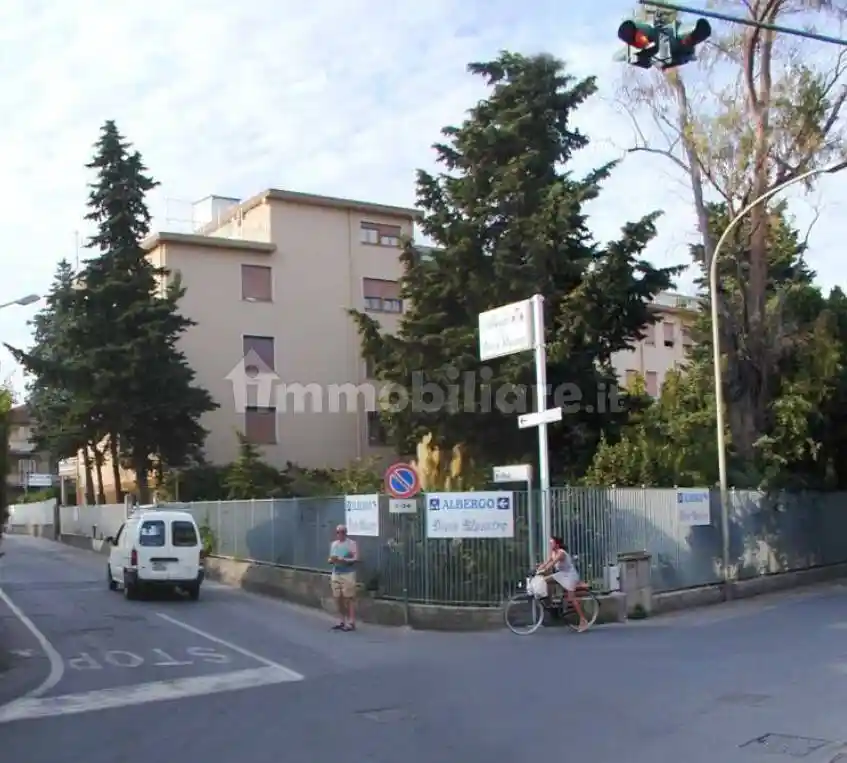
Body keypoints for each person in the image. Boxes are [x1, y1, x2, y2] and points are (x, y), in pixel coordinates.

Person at [536, 536, 589, 632]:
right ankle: (550, 602)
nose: (550, 545)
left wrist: (545, 569)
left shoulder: (561, 553)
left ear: (557, 544)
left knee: (571, 598)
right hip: (562, 574)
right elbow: (546, 562)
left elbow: (552, 564)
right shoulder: (553, 553)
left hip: (570, 575)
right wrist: (539, 568)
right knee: (545, 580)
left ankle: (583, 620)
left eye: (552, 543)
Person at [328, 524, 358, 631]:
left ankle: (351, 622)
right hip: (336, 573)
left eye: (342, 532)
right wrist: (332, 560)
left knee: (349, 598)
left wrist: (345, 560)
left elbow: (356, 558)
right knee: (337, 597)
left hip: (348, 573)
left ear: (346, 533)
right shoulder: (334, 544)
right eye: (338, 532)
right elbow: (331, 558)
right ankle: (341, 620)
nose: (340, 534)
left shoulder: (351, 544)